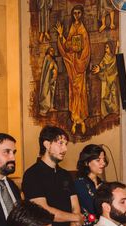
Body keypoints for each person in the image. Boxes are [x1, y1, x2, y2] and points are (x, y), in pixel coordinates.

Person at [22, 125, 83, 226]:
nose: (65, 149)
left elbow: (76, 207)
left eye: (66, 144)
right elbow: (44, 210)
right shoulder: (32, 174)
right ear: (46, 144)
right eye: (60, 143)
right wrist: (77, 217)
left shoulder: (66, 175)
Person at [55, 4, 90, 135]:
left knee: (80, 92)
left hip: (80, 66)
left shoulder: (82, 29)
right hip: (72, 65)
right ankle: (75, 119)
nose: (76, 15)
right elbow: (67, 45)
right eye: (74, 13)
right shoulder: (72, 28)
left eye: (79, 13)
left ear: (82, 14)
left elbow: (86, 48)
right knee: (73, 92)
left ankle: (82, 119)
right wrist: (60, 35)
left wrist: (80, 57)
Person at [74, 144, 108, 226]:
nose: (103, 163)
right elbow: (92, 207)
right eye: (98, 160)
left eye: (103, 159)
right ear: (86, 162)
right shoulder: (79, 183)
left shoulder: (103, 184)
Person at [91, 41, 119, 117]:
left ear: (111, 48)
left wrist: (117, 47)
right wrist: (98, 68)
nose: (105, 49)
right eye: (105, 47)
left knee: (114, 98)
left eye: (107, 47)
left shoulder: (114, 58)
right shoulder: (105, 57)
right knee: (104, 98)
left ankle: (115, 113)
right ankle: (106, 115)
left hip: (113, 81)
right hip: (106, 81)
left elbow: (114, 67)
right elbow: (101, 66)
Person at [39, 46, 58, 116]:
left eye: (53, 51)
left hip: (52, 78)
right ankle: (43, 110)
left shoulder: (52, 58)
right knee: (46, 92)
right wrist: (51, 68)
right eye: (51, 51)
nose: (52, 52)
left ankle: (51, 107)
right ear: (48, 51)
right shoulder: (47, 57)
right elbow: (46, 68)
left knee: (52, 92)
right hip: (48, 78)